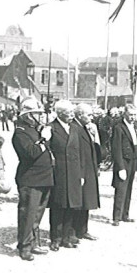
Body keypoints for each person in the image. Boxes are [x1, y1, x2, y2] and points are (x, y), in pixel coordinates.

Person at [12, 97, 54, 261]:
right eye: (37, 114)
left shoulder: (35, 129)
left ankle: (33, 242)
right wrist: (43, 139)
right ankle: (24, 246)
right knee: (28, 214)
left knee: (37, 214)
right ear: (29, 115)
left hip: (44, 177)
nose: (41, 116)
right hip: (30, 179)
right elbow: (31, 153)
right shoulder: (21, 132)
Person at [48, 100, 82, 250]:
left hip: (74, 172)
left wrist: (81, 173)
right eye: (69, 113)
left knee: (71, 205)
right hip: (59, 172)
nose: (72, 116)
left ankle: (66, 237)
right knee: (58, 205)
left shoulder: (75, 128)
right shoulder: (52, 128)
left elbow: (79, 152)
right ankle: (55, 237)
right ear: (60, 114)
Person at [72, 103, 100, 240]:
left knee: (86, 201)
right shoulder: (75, 128)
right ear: (80, 115)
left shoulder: (85, 128)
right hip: (81, 170)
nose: (91, 117)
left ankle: (83, 229)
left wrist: (95, 136)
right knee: (79, 202)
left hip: (89, 168)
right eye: (88, 114)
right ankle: (74, 230)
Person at [111, 104, 137, 226]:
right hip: (124, 161)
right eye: (130, 115)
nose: (132, 117)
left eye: (134, 115)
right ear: (125, 114)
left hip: (133, 160)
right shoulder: (119, 127)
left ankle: (125, 214)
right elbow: (116, 148)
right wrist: (120, 167)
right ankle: (116, 217)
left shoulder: (134, 126)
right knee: (121, 188)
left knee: (129, 188)